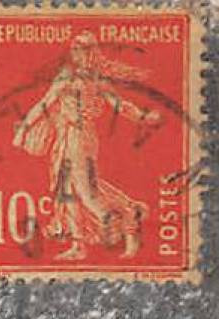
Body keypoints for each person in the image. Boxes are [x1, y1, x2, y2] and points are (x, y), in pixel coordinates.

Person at [13, 32, 161, 261]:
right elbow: (46, 102)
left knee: (86, 192)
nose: (78, 55)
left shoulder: (94, 79)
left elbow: (119, 105)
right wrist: (24, 128)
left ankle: (128, 220)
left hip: (80, 137)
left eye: (82, 50)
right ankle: (78, 245)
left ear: (91, 53)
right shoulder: (70, 76)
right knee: (67, 193)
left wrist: (142, 117)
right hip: (68, 136)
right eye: (75, 50)